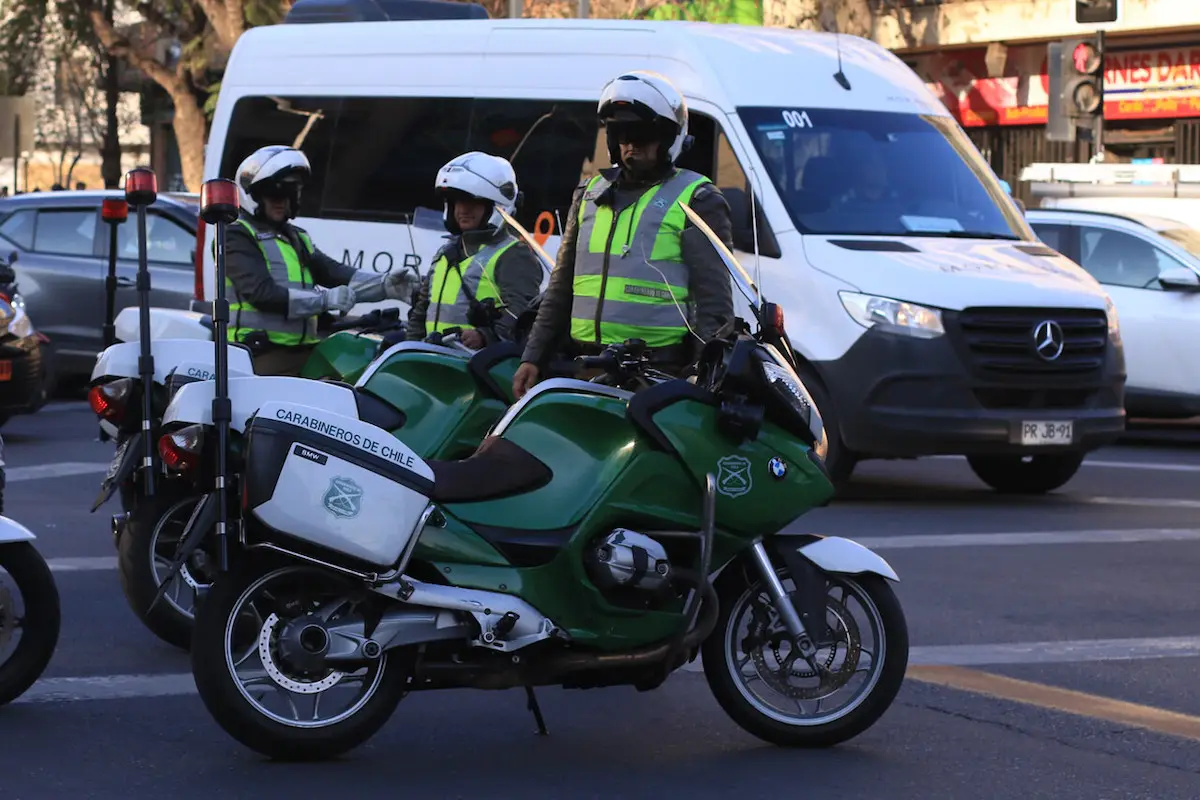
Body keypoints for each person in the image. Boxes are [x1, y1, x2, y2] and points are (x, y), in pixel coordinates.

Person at [512, 70, 734, 399]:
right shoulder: (588, 195)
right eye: (621, 134)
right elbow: (561, 288)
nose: (631, 144)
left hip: (657, 376)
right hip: (587, 369)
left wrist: (703, 377)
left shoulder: (698, 198)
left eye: (642, 133)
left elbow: (714, 304)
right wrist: (533, 356)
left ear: (668, 137)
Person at [225, 145, 414, 376]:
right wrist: (324, 300)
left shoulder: (296, 236)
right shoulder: (237, 234)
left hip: (304, 349)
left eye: (289, 194)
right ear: (254, 195)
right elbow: (261, 293)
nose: (281, 201)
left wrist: (384, 284)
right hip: (260, 354)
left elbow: (335, 272)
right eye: (274, 194)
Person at [406, 152, 543, 348]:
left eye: (472, 201)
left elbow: (520, 315)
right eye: (457, 201)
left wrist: (484, 336)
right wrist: (409, 349)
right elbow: (420, 314)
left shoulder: (514, 255)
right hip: (432, 360)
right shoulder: (445, 253)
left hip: (478, 366)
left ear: (494, 207)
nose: (463, 210)